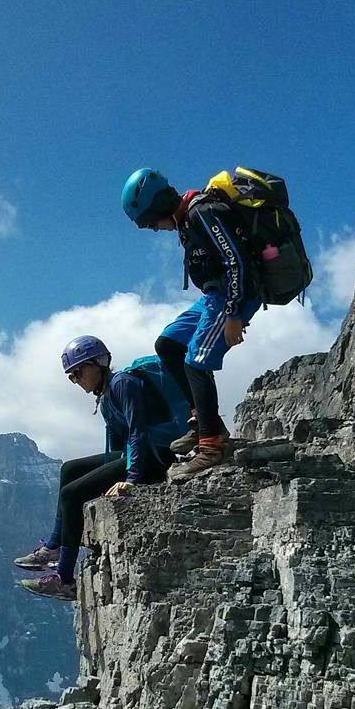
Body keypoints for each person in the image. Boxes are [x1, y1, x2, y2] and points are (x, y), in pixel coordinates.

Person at [122, 166, 261, 482]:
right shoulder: (189, 218)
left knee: (196, 362)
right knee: (168, 344)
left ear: (156, 206)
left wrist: (234, 313)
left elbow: (236, 261)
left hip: (231, 296)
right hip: (215, 295)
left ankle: (211, 446)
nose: (154, 229)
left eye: (149, 222)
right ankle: (203, 421)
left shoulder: (202, 214)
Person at [14, 335, 179, 600]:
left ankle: (64, 579)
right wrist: (102, 477)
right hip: (137, 455)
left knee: (72, 494)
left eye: (78, 372)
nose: (76, 380)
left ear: (98, 363)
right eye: (71, 377)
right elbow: (115, 448)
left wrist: (132, 479)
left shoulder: (123, 384)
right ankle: (54, 546)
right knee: (69, 469)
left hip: (154, 459)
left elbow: (138, 432)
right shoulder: (105, 397)